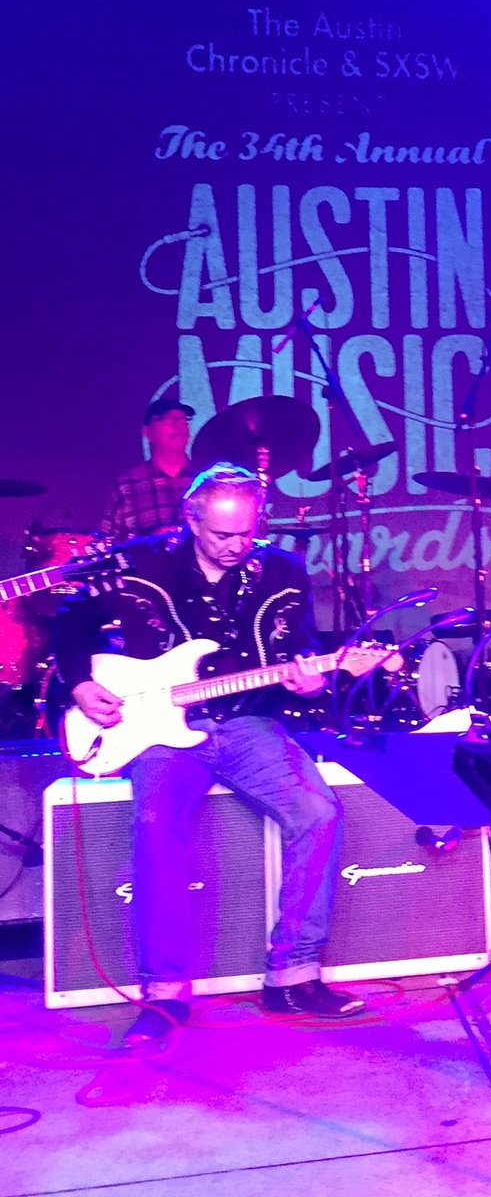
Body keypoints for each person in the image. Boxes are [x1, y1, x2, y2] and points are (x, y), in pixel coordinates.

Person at [54, 462, 370, 1043]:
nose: (235, 546)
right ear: (192, 519)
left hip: (247, 723)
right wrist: (78, 681)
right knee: (156, 829)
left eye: (246, 532)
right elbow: (70, 618)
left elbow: (299, 646)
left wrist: (310, 677)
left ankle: (293, 974)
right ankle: (165, 995)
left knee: (321, 812)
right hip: (160, 728)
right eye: (222, 534)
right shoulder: (140, 563)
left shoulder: (282, 571)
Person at [98, 396, 197, 542]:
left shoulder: (204, 479)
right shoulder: (128, 485)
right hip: (147, 563)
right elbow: (106, 541)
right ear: (148, 432)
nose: (179, 425)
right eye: (168, 419)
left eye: (183, 420)